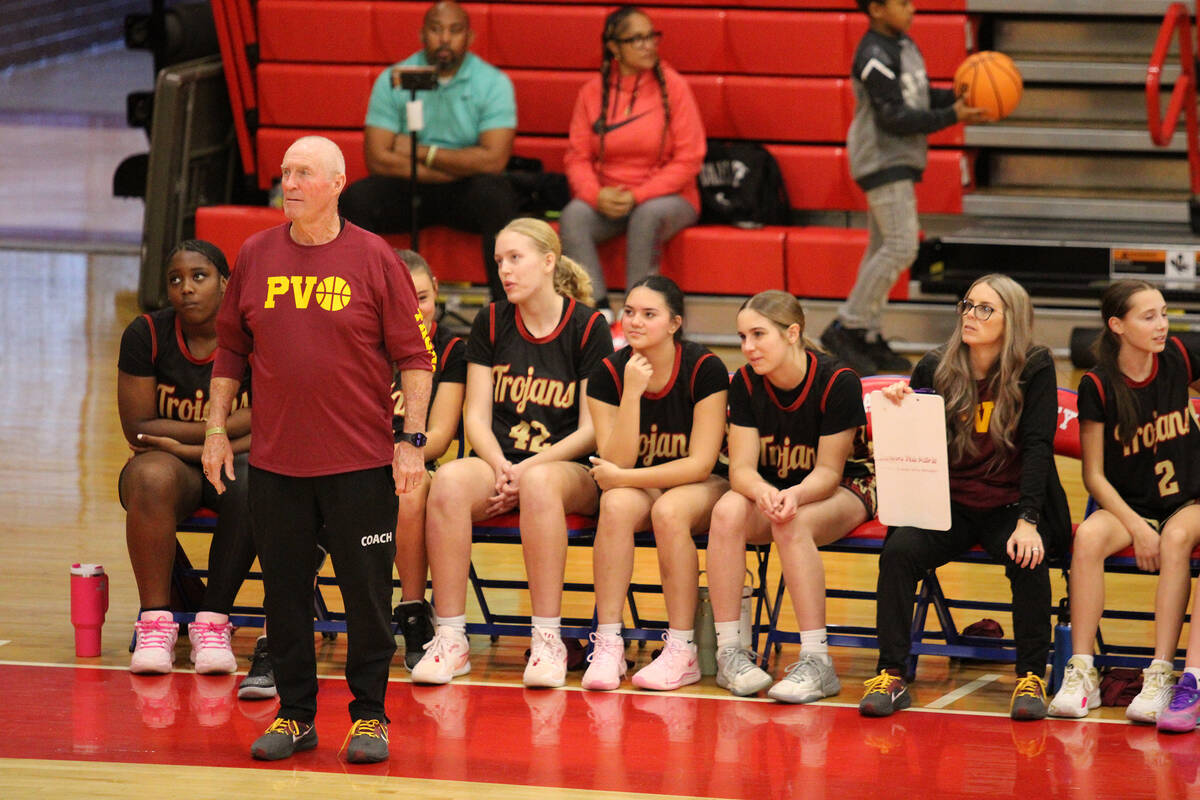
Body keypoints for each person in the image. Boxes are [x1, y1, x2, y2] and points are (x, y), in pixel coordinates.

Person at [202, 135, 435, 763]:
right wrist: (217, 428)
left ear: (337, 183)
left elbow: (415, 357)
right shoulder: (255, 254)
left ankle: (369, 718)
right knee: (283, 594)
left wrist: (411, 441)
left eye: (304, 173)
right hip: (277, 464)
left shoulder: (373, 257)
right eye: (285, 174)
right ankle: (297, 716)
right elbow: (230, 349)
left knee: (365, 596)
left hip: (360, 462)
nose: (290, 184)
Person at [411, 217, 612, 689]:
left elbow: (590, 430)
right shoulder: (493, 318)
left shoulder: (588, 326)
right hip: (502, 462)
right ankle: (451, 637)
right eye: (499, 260)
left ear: (548, 261)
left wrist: (526, 470)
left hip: (567, 468)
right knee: (450, 481)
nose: (504, 269)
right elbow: (476, 416)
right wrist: (502, 467)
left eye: (515, 258)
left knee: (540, 484)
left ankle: (546, 639)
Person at [859, 273, 1070, 721]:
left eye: (985, 309)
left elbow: (1038, 447)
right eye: (968, 306)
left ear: (1011, 319)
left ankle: (1030, 676)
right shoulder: (937, 364)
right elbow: (912, 440)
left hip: (1010, 506)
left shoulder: (1034, 366)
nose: (971, 316)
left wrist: (1029, 520)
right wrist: (900, 403)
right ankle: (891, 673)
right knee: (898, 552)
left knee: (1029, 557)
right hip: (947, 505)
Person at [705, 290, 875, 703]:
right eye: (743, 336)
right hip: (778, 489)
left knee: (791, 521)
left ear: (793, 333)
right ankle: (731, 653)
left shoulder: (838, 381)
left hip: (847, 487)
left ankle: (818, 661)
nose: (748, 347)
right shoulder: (745, 382)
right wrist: (764, 491)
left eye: (758, 335)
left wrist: (791, 496)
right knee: (726, 510)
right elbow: (741, 468)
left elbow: (829, 473)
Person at [1048, 280, 1200, 723]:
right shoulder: (1098, 384)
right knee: (1089, 538)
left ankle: (1160, 673)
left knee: (1174, 540)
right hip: (1128, 504)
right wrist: (1135, 526)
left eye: (1165, 314)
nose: (1162, 325)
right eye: (1148, 316)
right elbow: (1093, 475)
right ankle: (1082, 673)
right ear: (1117, 325)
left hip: (1186, 500)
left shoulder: (1180, 356)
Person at [819, 0, 988, 376]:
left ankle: (867, 333)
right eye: (902, 3)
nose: (912, 8)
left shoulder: (905, 46)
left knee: (883, 247)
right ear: (877, 9)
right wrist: (951, 117)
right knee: (900, 246)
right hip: (881, 158)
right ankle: (846, 327)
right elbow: (894, 115)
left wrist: (962, 98)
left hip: (897, 159)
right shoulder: (873, 54)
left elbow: (920, 96)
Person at [582, 276, 729, 691]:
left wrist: (624, 478)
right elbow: (618, 459)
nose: (635, 322)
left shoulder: (705, 368)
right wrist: (631, 394)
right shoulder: (609, 372)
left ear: (674, 323)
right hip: (641, 481)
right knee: (613, 506)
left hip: (704, 484)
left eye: (650, 314)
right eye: (629, 312)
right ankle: (610, 643)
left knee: (669, 510)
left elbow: (700, 464)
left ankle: (682, 649)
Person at [117, 240, 256, 678]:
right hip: (172, 467)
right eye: (175, 280)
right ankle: (156, 622)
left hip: (235, 462)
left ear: (226, 283)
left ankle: (212, 621)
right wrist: (220, 427)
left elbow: (270, 419)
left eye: (199, 276)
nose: (186, 288)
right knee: (151, 476)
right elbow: (138, 426)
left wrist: (196, 441)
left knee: (259, 483)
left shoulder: (254, 334)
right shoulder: (147, 334)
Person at [339, 1, 520, 301]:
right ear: (423, 35)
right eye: (436, 30)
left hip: (465, 192)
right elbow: (377, 158)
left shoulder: (493, 83)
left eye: (455, 30)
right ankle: (361, 306)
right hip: (410, 187)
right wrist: (459, 163)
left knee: (498, 197)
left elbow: (494, 159)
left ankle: (503, 317)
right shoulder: (396, 77)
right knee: (356, 200)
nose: (445, 39)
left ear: (470, 37)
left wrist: (422, 152)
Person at [560, 5, 705, 318]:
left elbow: (690, 158)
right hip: (610, 199)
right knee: (574, 215)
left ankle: (639, 314)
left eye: (651, 36)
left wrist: (638, 196)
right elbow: (577, 157)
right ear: (614, 47)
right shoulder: (591, 92)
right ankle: (597, 313)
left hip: (670, 199)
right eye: (636, 39)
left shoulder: (674, 86)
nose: (648, 45)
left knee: (646, 216)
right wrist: (595, 195)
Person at [389, 249, 468, 669]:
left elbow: (437, 436)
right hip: (361, 459)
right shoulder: (363, 337)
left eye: (422, 298)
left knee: (408, 489)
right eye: (403, 302)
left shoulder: (453, 347)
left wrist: (401, 454)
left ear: (436, 289)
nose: (415, 311)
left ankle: (413, 609)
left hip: (420, 461)